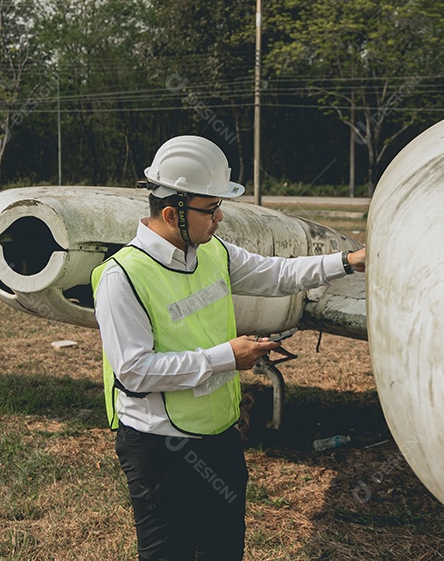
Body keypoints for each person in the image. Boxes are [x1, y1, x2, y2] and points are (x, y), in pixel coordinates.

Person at [91, 135, 366, 561]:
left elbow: (277, 275)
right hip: (160, 447)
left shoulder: (213, 252)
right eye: (210, 208)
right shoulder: (122, 277)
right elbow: (134, 371)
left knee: (222, 550)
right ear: (171, 212)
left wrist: (348, 262)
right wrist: (227, 358)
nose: (220, 218)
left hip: (219, 435)